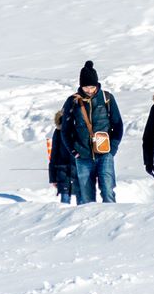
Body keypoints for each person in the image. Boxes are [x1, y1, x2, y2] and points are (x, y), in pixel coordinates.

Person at [61, 62, 123, 203]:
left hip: (105, 153)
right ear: (81, 85)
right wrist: (73, 151)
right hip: (82, 156)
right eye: (86, 87)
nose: (89, 90)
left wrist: (112, 149)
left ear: (97, 85)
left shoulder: (107, 98)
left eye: (92, 86)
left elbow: (118, 125)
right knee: (86, 197)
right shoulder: (72, 101)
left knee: (108, 191)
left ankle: (112, 222)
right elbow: (65, 130)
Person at [49, 109, 77, 203]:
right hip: (63, 171)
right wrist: (53, 177)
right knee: (65, 201)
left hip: (78, 170)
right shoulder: (58, 132)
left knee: (82, 201)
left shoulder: (80, 131)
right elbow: (54, 155)